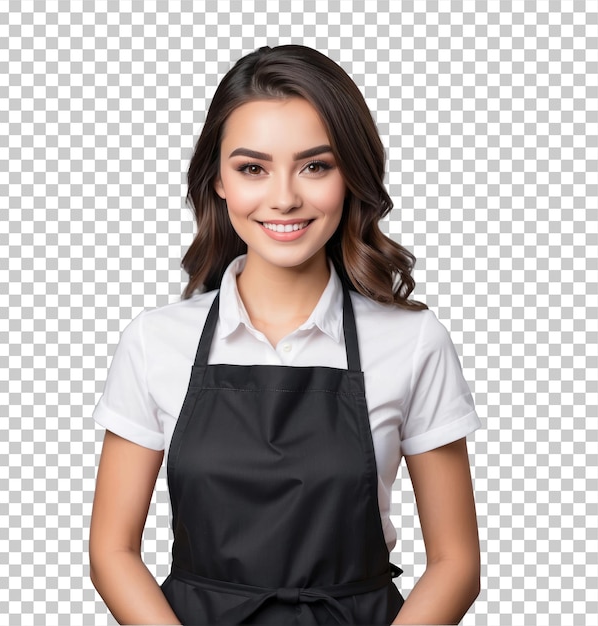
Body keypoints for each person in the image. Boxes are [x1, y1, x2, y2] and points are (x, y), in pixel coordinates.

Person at [89, 44, 481, 625]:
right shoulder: (155, 340)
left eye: (315, 166)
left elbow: (456, 563)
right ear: (218, 181)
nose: (284, 197)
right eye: (253, 168)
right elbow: (112, 552)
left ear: (351, 175)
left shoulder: (414, 340)